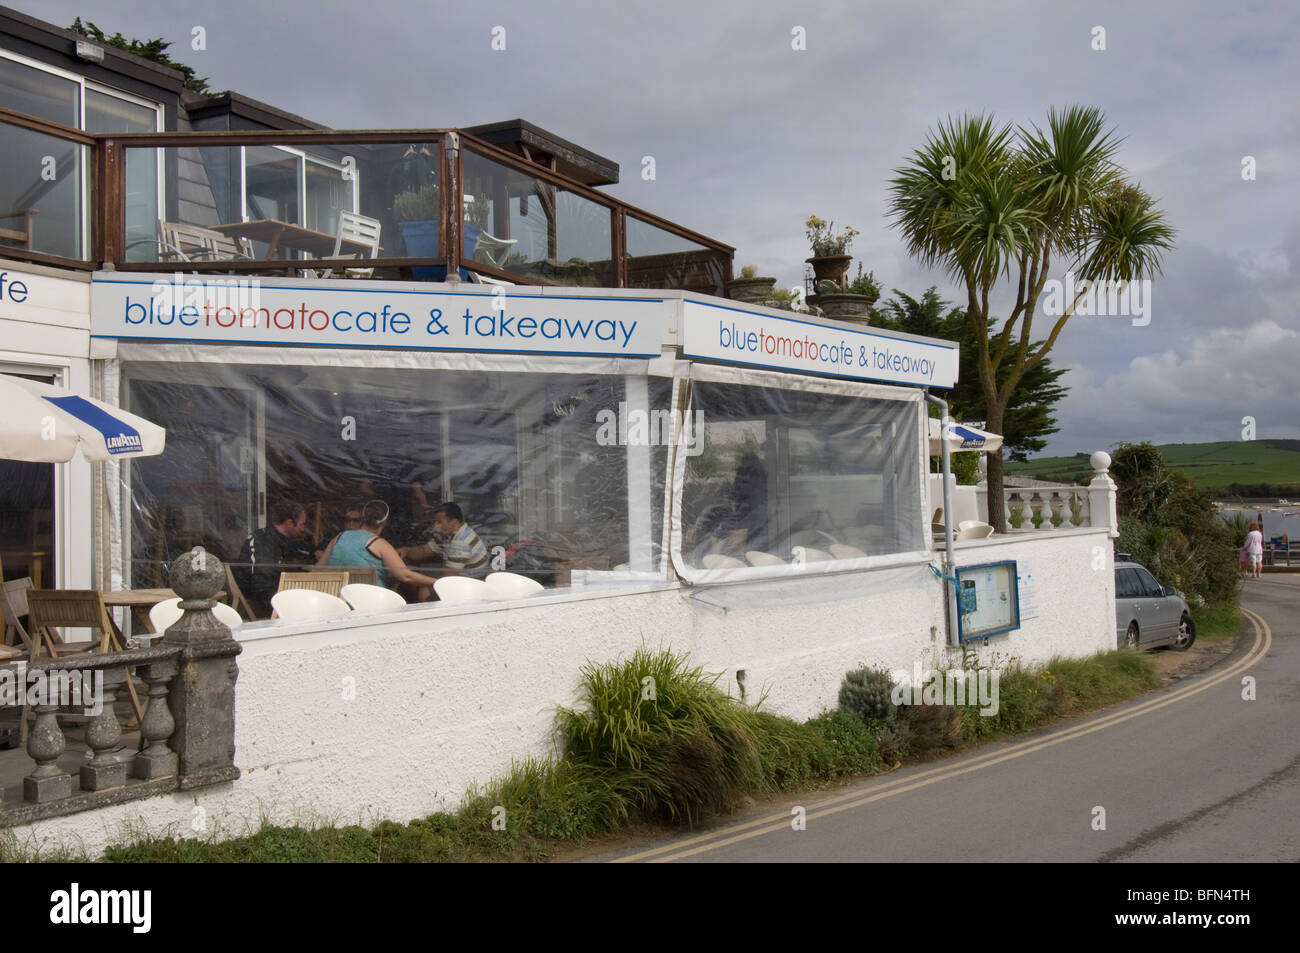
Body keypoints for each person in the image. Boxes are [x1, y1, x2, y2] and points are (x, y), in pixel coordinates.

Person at [319, 499, 439, 593]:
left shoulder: (339, 537)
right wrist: (438, 582)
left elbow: (319, 567)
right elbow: (405, 576)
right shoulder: (378, 543)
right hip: (372, 600)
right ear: (384, 523)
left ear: (363, 519)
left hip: (339, 597)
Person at [236, 500, 315, 618]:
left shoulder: (284, 540)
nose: (303, 529)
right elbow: (261, 586)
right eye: (302, 524)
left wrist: (315, 551)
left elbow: (300, 550)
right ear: (289, 523)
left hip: (276, 599)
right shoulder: (262, 542)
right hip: (261, 605)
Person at [400, 502, 489, 597]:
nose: (435, 525)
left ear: (454, 522)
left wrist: (417, 581)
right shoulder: (447, 534)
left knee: (424, 591)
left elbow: (448, 579)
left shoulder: (461, 542)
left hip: (471, 586)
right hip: (458, 578)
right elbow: (424, 551)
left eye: (439, 522)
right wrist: (406, 551)